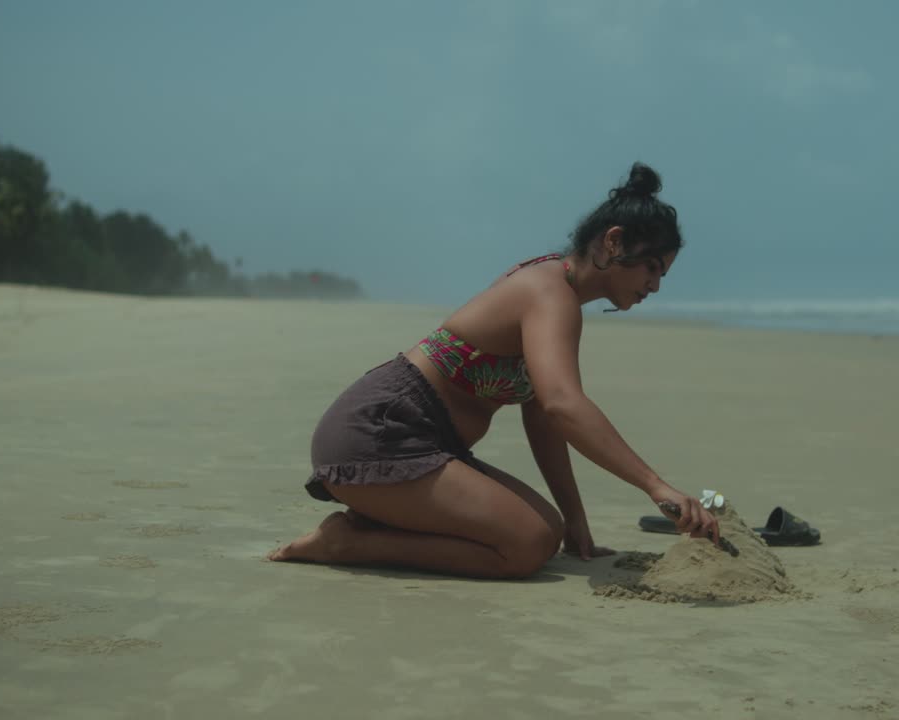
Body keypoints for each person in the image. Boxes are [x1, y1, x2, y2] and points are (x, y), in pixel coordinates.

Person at [268, 162, 722, 578]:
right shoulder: (549, 295)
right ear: (613, 241)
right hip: (380, 435)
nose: (655, 285)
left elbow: (542, 414)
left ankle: (378, 521)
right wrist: (656, 486)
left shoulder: (554, 288)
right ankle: (346, 543)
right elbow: (563, 404)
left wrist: (575, 520)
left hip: (424, 445)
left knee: (547, 526)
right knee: (526, 544)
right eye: (651, 267)